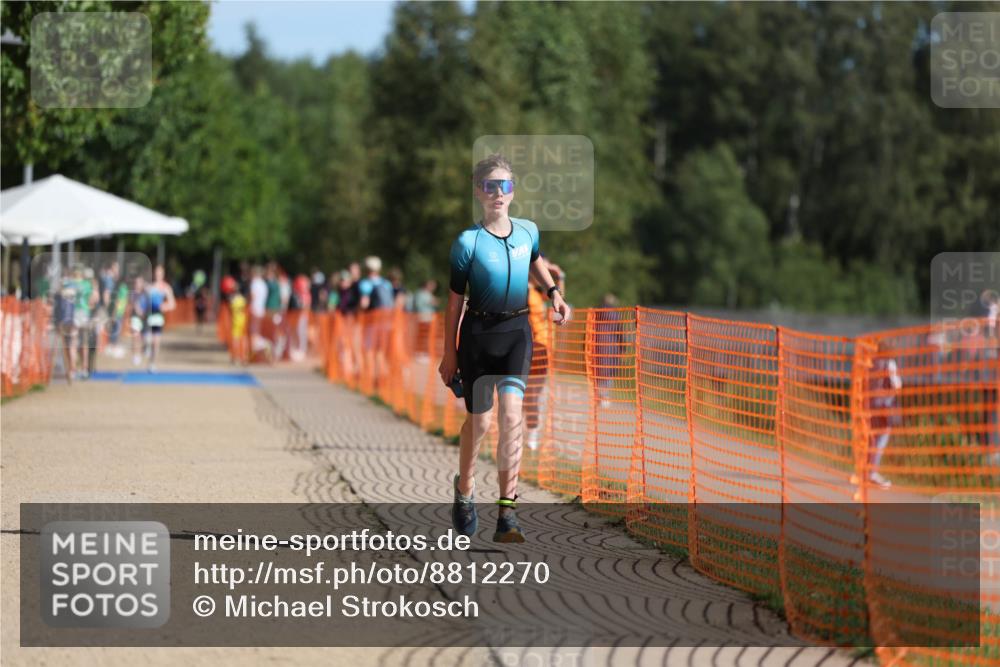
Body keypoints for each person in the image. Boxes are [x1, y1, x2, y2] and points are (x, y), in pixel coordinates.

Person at [438, 153, 569, 542]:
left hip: (517, 332)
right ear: (479, 191)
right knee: (479, 423)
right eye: (490, 186)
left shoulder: (528, 230)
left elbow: (536, 260)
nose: (498, 192)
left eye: (505, 185)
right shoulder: (467, 242)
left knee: (513, 416)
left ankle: (507, 513)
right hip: (478, 336)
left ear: (513, 192)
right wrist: (449, 352)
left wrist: (554, 294)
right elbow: (453, 303)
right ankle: (464, 490)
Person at [146, 265, 177, 373]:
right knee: (148, 339)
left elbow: (173, 304)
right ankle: (146, 349)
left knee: (156, 342)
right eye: (156, 273)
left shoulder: (166, 287)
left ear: (163, 274)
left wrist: (164, 306)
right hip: (148, 316)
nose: (158, 275)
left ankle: (152, 363)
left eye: (160, 273)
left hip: (158, 317)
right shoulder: (149, 287)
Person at [128, 275, 149, 366]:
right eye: (136, 282)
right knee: (136, 336)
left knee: (143, 338)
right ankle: (136, 355)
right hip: (135, 318)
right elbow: (131, 305)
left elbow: (149, 306)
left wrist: (144, 313)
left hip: (144, 318)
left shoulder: (146, 294)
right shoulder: (132, 294)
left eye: (140, 282)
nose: (138, 284)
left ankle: (143, 350)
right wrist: (136, 309)